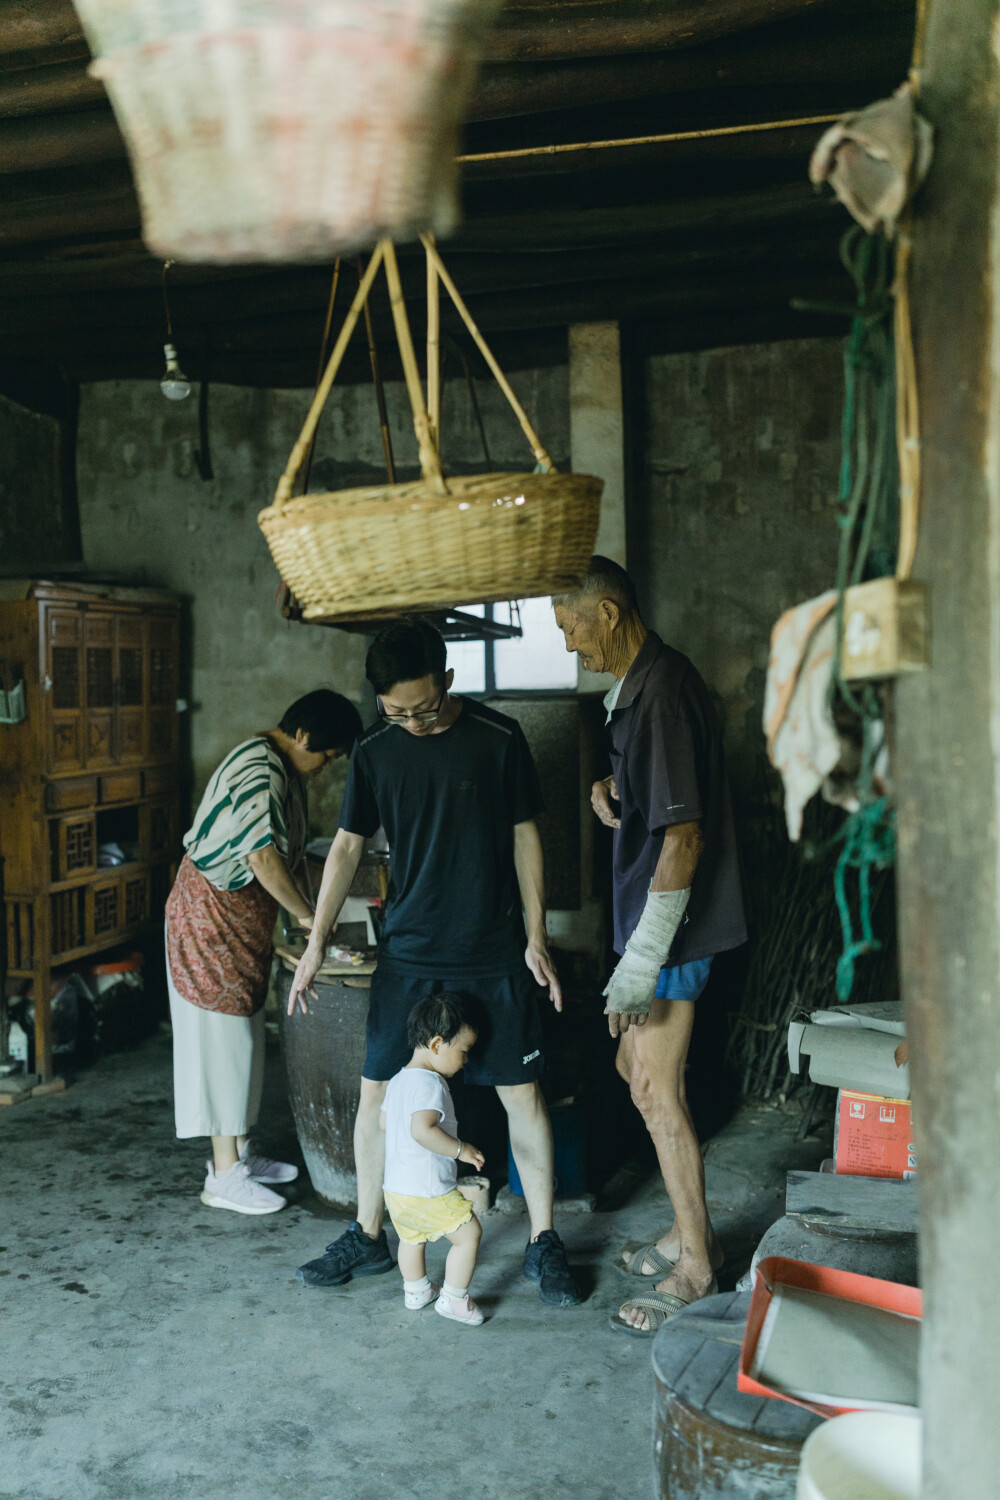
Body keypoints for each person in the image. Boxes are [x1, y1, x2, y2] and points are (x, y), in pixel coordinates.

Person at [289, 618, 581, 1308]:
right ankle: (367, 1234)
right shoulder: (375, 749)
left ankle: (544, 1242)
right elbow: (346, 849)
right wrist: (315, 942)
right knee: (378, 1099)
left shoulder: (499, 738)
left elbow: (525, 837)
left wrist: (537, 935)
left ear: (448, 681)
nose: (412, 721)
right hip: (410, 955)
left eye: (424, 707)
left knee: (523, 1097)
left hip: (491, 951)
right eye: (396, 710)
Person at [554, 558, 747, 1336]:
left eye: (571, 628)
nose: (570, 646)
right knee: (633, 1070)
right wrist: (615, 788)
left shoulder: (661, 693)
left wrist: (641, 963)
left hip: (673, 931)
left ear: (606, 611)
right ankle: (682, 1226)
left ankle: (698, 1263)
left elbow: (685, 835)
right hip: (657, 927)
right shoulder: (641, 689)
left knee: (653, 1090)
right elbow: (664, 794)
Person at [166, 689, 362, 1216]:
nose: (324, 767)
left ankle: (239, 1155)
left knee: (245, 1041)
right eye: (324, 755)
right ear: (301, 735)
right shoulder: (260, 766)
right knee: (221, 1043)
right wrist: (307, 920)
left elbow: (289, 853)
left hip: (239, 923)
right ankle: (222, 1175)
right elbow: (261, 857)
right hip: (209, 920)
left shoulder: (281, 768)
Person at [381, 993, 487, 1327]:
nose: (466, 1061)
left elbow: (385, 1123)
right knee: (468, 1236)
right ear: (438, 1044)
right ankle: (454, 1300)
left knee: (411, 1238)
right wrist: (461, 1149)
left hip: (396, 1189)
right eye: (463, 1052)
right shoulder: (431, 1083)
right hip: (428, 1189)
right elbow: (422, 1130)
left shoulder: (398, 1080)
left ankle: (417, 1291)